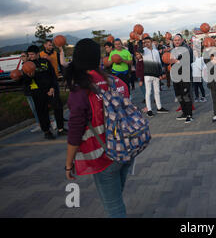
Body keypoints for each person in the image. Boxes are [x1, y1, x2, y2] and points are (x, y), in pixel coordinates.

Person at [64, 38, 133, 218]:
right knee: (116, 198)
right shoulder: (117, 82)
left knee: (114, 207)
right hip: (126, 150)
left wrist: (69, 163)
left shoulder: (81, 91)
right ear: (98, 58)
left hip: (103, 156)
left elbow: (75, 131)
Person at [23, 45, 66, 139]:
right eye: (29, 54)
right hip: (37, 92)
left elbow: (52, 76)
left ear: (38, 54)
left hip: (50, 90)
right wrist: (30, 76)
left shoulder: (45, 62)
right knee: (42, 112)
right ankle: (47, 131)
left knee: (58, 107)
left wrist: (52, 87)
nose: (30, 56)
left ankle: (61, 129)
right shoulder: (26, 65)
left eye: (32, 54)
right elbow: (24, 82)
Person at [141, 37, 168, 116]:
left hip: (156, 75)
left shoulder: (156, 51)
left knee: (157, 91)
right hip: (148, 75)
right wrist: (140, 40)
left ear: (152, 42)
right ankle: (149, 110)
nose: (147, 43)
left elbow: (159, 63)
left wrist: (161, 73)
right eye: (145, 42)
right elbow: (139, 50)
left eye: (148, 42)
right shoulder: (143, 51)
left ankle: (159, 107)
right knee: (148, 92)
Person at [172, 34, 194, 123]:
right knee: (179, 95)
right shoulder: (173, 50)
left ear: (182, 40)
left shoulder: (186, 49)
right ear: (173, 42)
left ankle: (189, 115)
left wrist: (176, 61)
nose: (177, 41)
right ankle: (184, 113)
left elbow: (188, 60)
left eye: (178, 40)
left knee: (186, 95)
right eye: (175, 40)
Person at [19, 52, 40, 132]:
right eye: (21, 56)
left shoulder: (31, 66)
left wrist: (29, 77)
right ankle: (39, 124)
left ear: (28, 57)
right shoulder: (23, 67)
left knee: (39, 107)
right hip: (27, 91)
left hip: (34, 90)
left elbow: (31, 79)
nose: (22, 57)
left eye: (23, 56)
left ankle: (51, 120)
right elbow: (22, 81)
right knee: (34, 109)